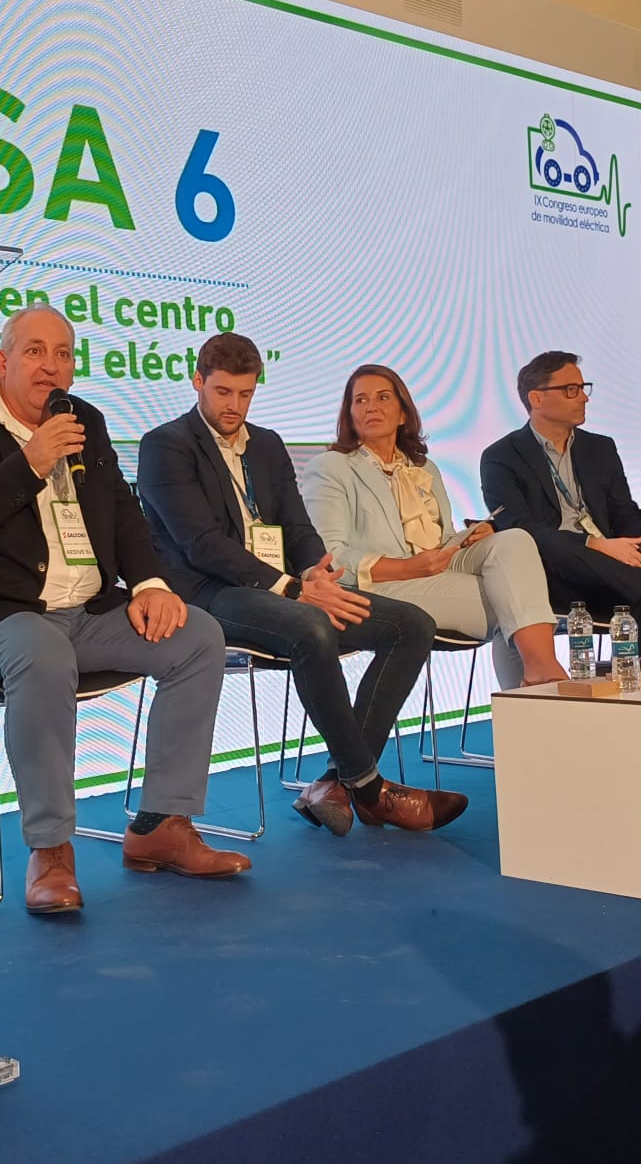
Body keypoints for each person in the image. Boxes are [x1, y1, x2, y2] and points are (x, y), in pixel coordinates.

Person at [0, 306, 249, 913]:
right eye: (35, 352)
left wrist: (149, 582)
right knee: (42, 650)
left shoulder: (84, 421)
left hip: (85, 609)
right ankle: (50, 850)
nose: (52, 366)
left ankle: (161, 824)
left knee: (199, 636)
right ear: (0, 361)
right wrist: (29, 464)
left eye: (64, 354)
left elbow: (122, 511)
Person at [137, 333, 454, 837]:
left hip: (283, 588)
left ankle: (336, 782)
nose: (234, 405)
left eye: (245, 393)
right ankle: (370, 789)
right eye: (222, 392)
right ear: (198, 382)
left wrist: (314, 573)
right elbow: (202, 545)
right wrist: (291, 588)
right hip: (207, 593)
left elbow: (298, 525)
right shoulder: (166, 445)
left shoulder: (267, 444)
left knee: (411, 625)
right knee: (310, 627)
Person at [302, 366, 568, 702]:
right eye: (360, 400)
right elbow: (330, 555)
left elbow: (442, 539)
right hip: (381, 585)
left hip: (436, 569)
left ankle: (538, 680)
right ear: (349, 414)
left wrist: (468, 538)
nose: (371, 407)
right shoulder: (330, 467)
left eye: (382, 398)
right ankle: (541, 690)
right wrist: (407, 568)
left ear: (403, 413)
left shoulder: (424, 468)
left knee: (513, 540)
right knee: (514, 600)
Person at [480, 351, 641, 663]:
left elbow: (623, 510)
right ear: (537, 398)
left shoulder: (600, 447)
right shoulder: (501, 456)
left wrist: (633, 548)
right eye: (571, 389)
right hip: (549, 572)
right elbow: (519, 528)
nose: (583, 398)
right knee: (633, 583)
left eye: (583, 388)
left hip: (613, 572)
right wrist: (594, 544)